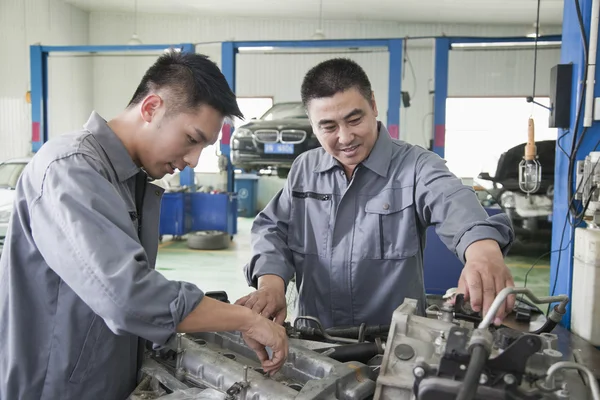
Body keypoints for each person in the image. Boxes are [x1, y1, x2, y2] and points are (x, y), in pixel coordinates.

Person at [0, 52, 288, 400]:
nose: (193, 160)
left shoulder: (126, 180)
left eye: (205, 147)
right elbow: (129, 297)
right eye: (192, 139)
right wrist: (246, 320)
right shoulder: (72, 169)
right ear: (151, 107)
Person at [237, 58, 516, 330]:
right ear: (313, 124)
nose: (345, 138)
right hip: (314, 338)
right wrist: (271, 283)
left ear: (373, 105)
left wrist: (482, 250)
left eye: (354, 119)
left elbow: (452, 200)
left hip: (394, 347)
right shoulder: (304, 169)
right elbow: (273, 228)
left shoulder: (415, 166)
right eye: (329, 127)